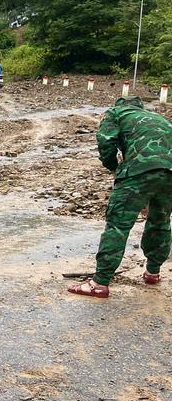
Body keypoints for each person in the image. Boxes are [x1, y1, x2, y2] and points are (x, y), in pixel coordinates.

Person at [68, 96, 172, 298]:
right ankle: (153, 272)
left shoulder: (115, 114)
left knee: (118, 225)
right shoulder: (158, 118)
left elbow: (106, 142)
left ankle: (99, 283)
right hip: (170, 172)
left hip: (138, 171)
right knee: (160, 221)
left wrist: (115, 169)